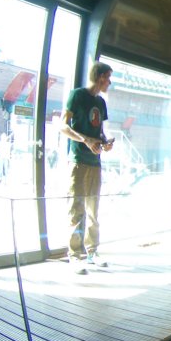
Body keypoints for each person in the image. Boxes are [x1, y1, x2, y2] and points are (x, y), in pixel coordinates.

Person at [59, 62, 115, 274]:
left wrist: (104, 142)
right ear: (100, 77)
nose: (109, 82)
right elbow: (63, 126)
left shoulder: (101, 102)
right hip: (78, 161)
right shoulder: (77, 95)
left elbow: (99, 131)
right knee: (76, 209)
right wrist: (85, 140)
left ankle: (92, 251)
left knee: (93, 210)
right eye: (108, 77)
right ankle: (74, 255)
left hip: (94, 162)